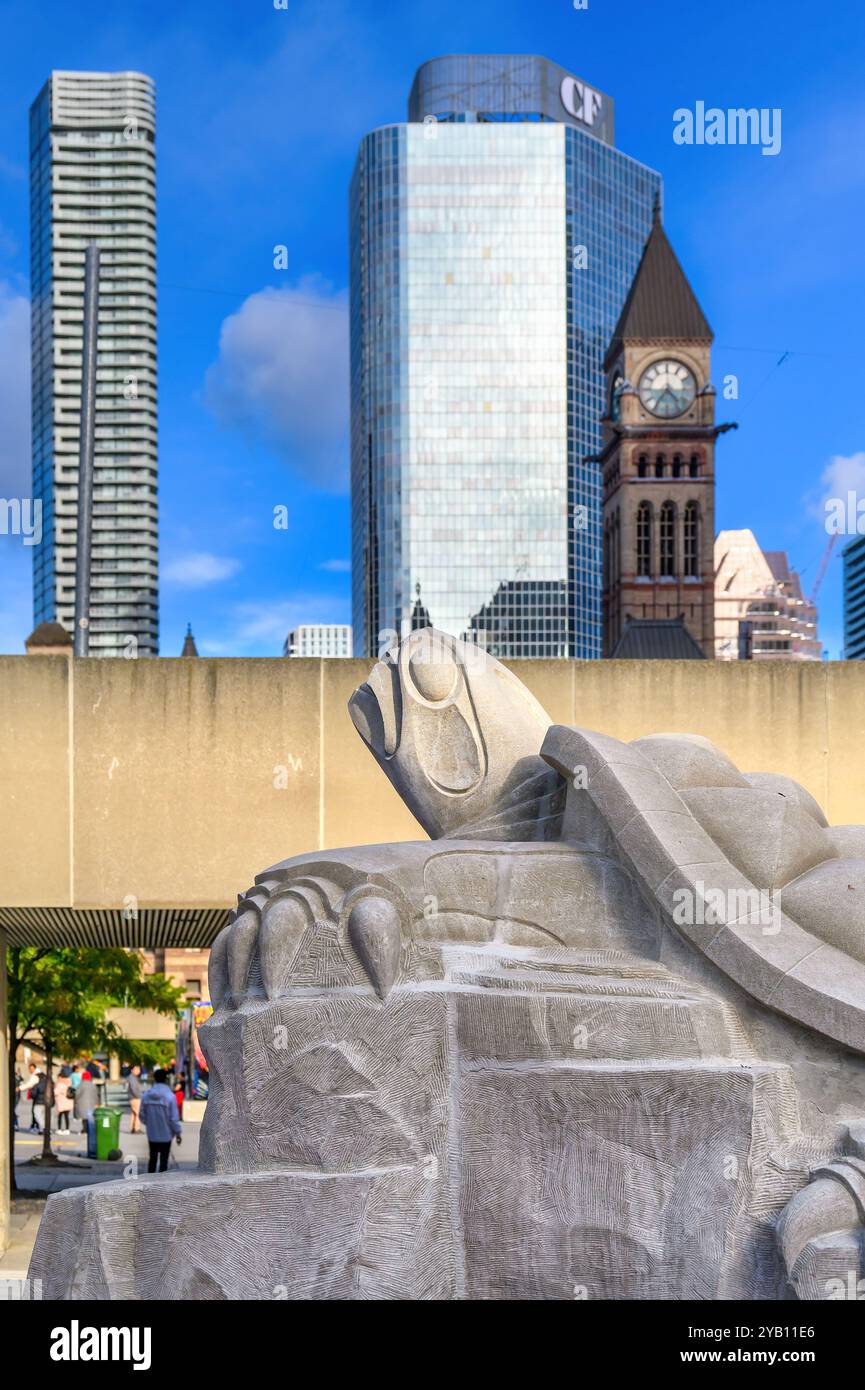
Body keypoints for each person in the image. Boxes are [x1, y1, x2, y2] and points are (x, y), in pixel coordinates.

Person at [140, 1069, 182, 1173]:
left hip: (152, 1133)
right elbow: (174, 1118)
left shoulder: (146, 1095)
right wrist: (178, 1133)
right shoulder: (170, 1097)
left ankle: (149, 1183)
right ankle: (161, 1186)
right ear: (166, 1079)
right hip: (166, 1135)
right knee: (164, 1161)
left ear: (154, 1079)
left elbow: (141, 1115)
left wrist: (149, 1123)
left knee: (152, 1159)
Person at [73, 1069, 99, 1134]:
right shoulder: (93, 1085)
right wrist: (97, 1103)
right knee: (90, 1118)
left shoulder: (80, 1085)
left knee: (84, 1118)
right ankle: (89, 1129)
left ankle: (84, 1129)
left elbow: (77, 1094)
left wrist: (75, 1101)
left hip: (82, 1103)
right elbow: (96, 1094)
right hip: (91, 1104)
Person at [127, 1064, 143, 1134]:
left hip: (133, 1097)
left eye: (139, 1069)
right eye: (136, 1069)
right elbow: (133, 1089)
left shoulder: (133, 1077)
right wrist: (139, 1096)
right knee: (138, 1113)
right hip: (135, 1098)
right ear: (132, 1070)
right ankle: (137, 1128)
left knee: (134, 1113)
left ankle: (133, 1128)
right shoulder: (132, 1078)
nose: (138, 1071)